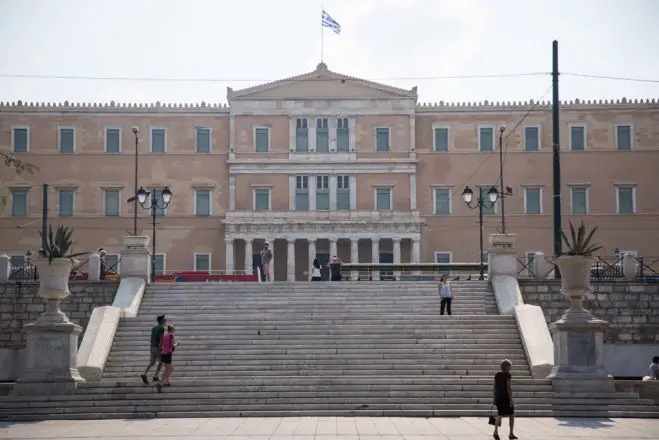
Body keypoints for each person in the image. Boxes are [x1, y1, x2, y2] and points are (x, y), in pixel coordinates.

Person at [492, 359, 517, 440]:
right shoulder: (508, 375)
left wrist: (495, 398)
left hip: (499, 397)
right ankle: (511, 434)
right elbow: (509, 388)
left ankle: (495, 432)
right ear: (508, 366)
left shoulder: (497, 375)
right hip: (506, 397)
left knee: (499, 415)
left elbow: (495, 387)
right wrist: (511, 400)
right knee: (511, 416)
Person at [141, 315, 166, 385]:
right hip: (157, 347)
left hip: (152, 347)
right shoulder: (162, 328)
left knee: (152, 362)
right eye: (164, 320)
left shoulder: (154, 328)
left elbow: (152, 338)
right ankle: (155, 376)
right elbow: (161, 339)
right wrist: (161, 348)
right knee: (161, 362)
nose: (165, 321)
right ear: (161, 321)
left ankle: (145, 373)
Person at [157, 325, 177, 392]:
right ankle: (160, 383)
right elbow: (171, 345)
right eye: (174, 330)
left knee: (168, 368)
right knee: (169, 369)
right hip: (168, 354)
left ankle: (166, 382)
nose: (174, 331)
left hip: (163, 353)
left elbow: (161, 345)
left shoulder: (164, 335)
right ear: (172, 330)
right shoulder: (171, 335)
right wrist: (176, 345)